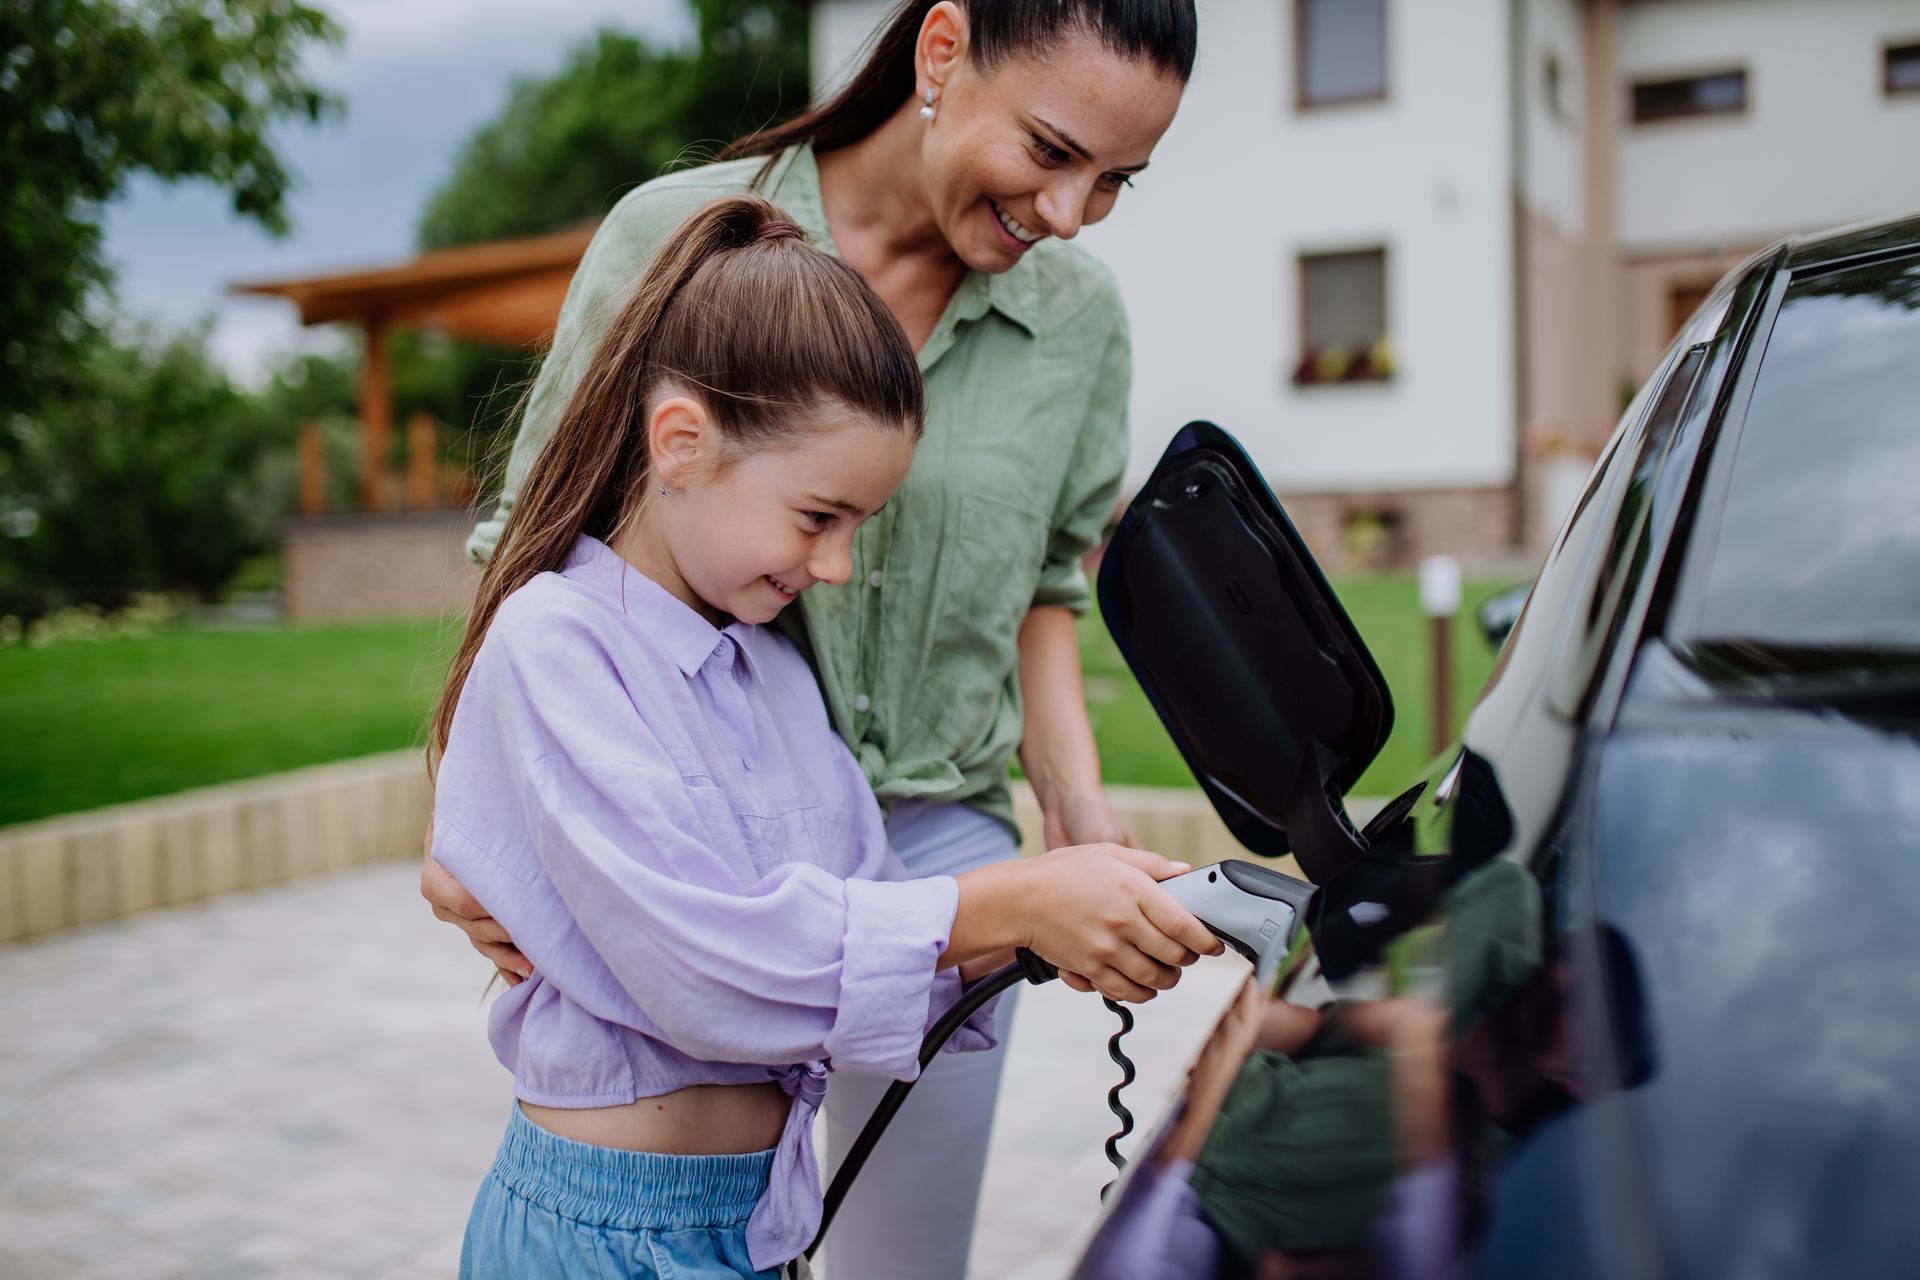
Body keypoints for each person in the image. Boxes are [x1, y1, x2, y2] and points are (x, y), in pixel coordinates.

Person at [422, 2, 1201, 1273]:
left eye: (1114, 180)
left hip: (928, 837)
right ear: (940, 53)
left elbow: (1048, 584)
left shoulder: (1077, 326)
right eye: (1054, 151)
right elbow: (528, 536)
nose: (1069, 211)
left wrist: (1084, 852)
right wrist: (482, 807)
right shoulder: (672, 242)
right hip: (689, 832)